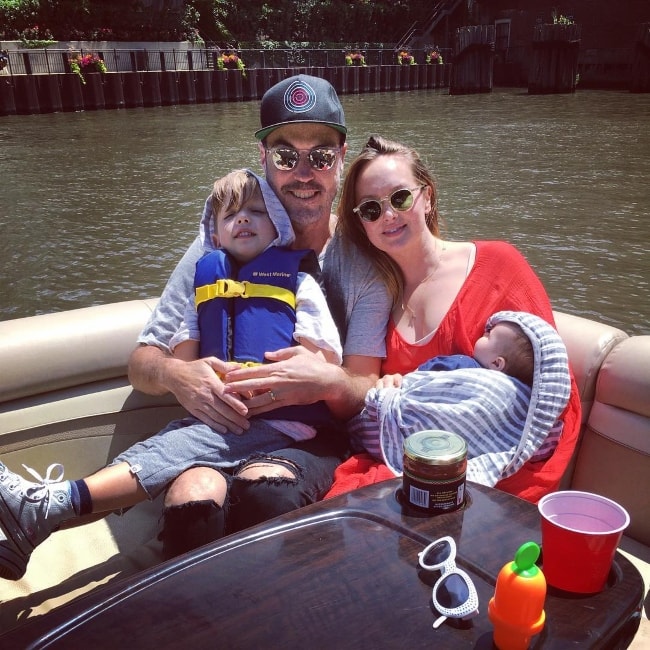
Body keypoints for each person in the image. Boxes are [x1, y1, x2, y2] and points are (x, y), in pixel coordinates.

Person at [0, 75, 392, 580]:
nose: (302, 172)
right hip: (219, 425)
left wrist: (324, 381)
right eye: (284, 155)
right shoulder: (216, 247)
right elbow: (143, 363)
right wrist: (178, 377)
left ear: (341, 157)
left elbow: (363, 390)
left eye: (319, 155)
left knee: (265, 492)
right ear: (262, 155)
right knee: (191, 498)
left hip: (310, 434)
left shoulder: (365, 261)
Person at [325, 134, 581, 502]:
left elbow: (551, 393)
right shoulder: (374, 297)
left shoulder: (499, 266)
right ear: (362, 223)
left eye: (400, 198)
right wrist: (387, 387)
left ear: (426, 197)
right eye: (370, 209)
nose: (388, 215)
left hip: (502, 475)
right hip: (408, 468)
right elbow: (373, 408)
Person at [347, 310, 571, 485]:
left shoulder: (461, 365)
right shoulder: (525, 403)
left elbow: (420, 381)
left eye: (487, 335)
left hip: (400, 431)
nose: (483, 331)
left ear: (497, 364)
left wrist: (399, 388)